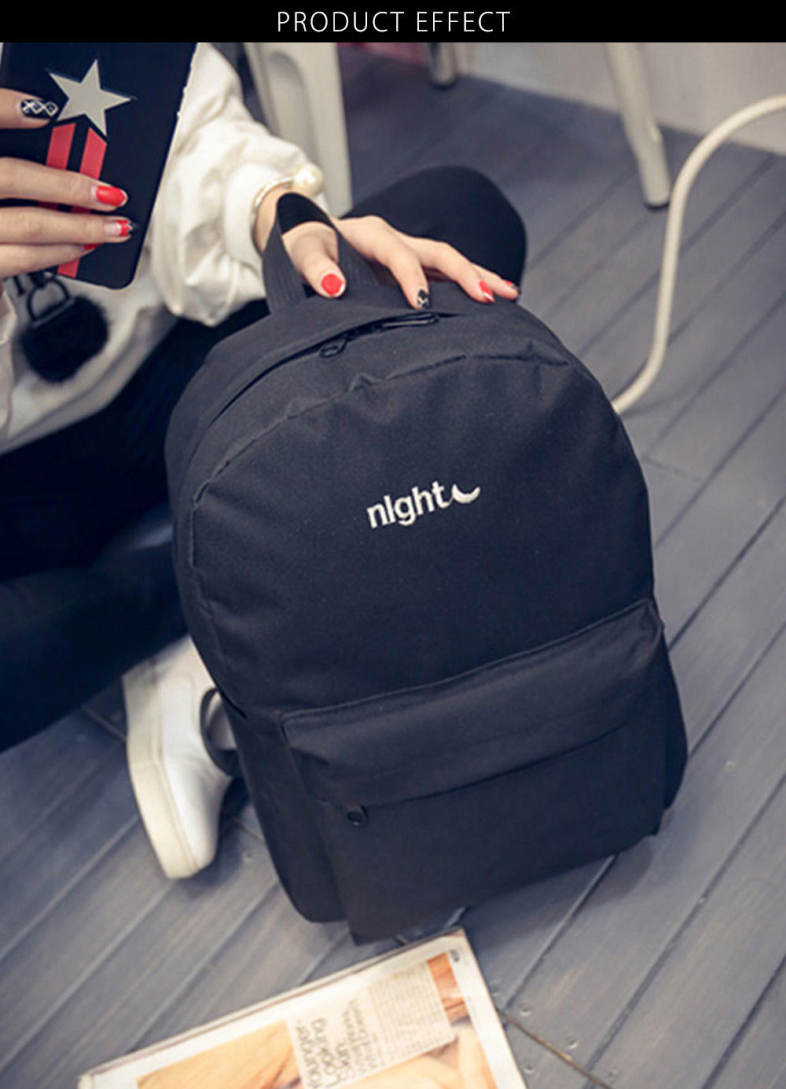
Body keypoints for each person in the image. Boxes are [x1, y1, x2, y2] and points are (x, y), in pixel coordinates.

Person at [0, 42, 526, 878]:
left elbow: (195, 139)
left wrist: (284, 222)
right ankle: (220, 599)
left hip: (183, 370)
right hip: (20, 489)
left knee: (455, 221)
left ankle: (194, 621)